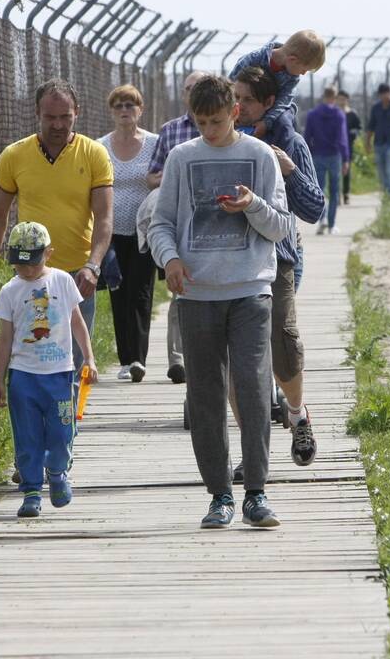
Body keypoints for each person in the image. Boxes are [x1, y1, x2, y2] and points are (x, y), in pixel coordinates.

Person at [148, 75, 291, 529]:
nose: (208, 131)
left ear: (235, 113)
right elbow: (161, 221)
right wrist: (169, 259)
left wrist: (251, 204)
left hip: (250, 288)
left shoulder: (260, 155)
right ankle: (219, 495)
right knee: (205, 394)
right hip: (196, 293)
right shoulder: (181, 157)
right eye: (201, 122)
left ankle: (256, 492)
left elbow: (281, 226)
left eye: (216, 121)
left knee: (251, 386)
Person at [0, 78, 114, 384]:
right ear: (37, 113)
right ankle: (38, 419)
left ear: (77, 112)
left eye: (65, 116)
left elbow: (104, 217)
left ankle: (68, 425)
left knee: (75, 361)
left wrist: (93, 265)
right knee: (32, 356)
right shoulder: (15, 156)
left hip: (78, 275)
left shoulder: (94, 154)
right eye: (50, 117)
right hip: (30, 273)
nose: (58, 124)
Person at [233, 66, 325, 478]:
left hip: (278, 257)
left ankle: (297, 415)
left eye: (247, 101)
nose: (239, 108)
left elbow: (314, 208)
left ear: (269, 103)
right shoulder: (225, 141)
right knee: (239, 360)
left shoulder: (291, 142)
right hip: (230, 260)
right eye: (234, 99)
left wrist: (289, 170)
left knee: (283, 344)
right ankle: (252, 453)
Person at [0, 221, 99, 518]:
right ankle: (30, 491)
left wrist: (88, 358)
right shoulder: (10, 291)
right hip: (23, 376)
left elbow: (77, 322)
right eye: (19, 265)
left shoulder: (63, 281)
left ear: (48, 254)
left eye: (32, 263)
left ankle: (57, 473)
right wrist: (0, 379)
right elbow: (5, 339)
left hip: (59, 373)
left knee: (61, 432)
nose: (26, 271)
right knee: (26, 435)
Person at [147, 70, 209, 384]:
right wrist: (177, 174)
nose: (192, 92)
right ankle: (178, 359)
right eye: (188, 88)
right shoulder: (170, 132)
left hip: (212, 220)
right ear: (183, 95)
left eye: (198, 87)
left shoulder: (223, 129)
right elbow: (152, 175)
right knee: (179, 292)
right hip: (180, 222)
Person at [98, 84, 159, 383]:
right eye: (119, 105)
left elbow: (165, 176)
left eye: (130, 105)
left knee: (142, 293)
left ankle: (138, 358)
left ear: (140, 110)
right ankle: (125, 359)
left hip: (145, 231)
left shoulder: (154, 144)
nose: (125, 111)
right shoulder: (100, 147)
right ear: (111, 111)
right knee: (117, 292)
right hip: (110, 231)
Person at [228, 30, 326, 139]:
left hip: (275, 108)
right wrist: (231, 111)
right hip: (245, 106)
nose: (303, 73)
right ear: (292, 60)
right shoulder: (252, 60)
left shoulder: (292, 78)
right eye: (304, 69)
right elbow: (229, 87)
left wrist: (266, 122)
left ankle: (285, 153)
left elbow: (283, 102)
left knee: (284, 123)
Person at [304, 86, 349, 235]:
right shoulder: (339, 115)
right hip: (335, 155)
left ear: (324, 96)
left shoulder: (313, 114)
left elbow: (306, 137)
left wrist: (307, 157)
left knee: (319, 189)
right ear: (335, 97)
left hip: (317, 154)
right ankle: (331, 224)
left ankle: (321, 219)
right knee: (335, 191)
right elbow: (343, 139)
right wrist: (346, 159)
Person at [336, 90, 362, 204]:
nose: (341, 101)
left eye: (343, 99)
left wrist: (353, 133)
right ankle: (336, 194)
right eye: (339, 99)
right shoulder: (334, 113)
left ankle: (346, 193)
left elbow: (359, 128)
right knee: (335, 170)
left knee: (346, 170)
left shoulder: (352, 114)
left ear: (347, 100)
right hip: (335, 145)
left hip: (348, 145)